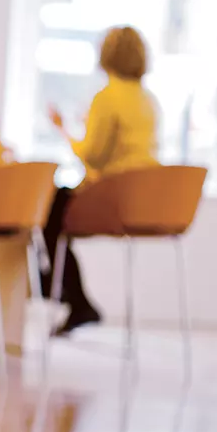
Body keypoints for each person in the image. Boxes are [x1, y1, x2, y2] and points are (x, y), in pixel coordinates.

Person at [42, 26, 159, 335]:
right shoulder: (149, 100)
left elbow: (92, 156)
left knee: (47, 209)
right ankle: (69, 295)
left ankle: (59, 290)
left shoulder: (107, 98)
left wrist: (63, 128)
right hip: (143, 200)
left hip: (111, 199)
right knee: (57, 208)